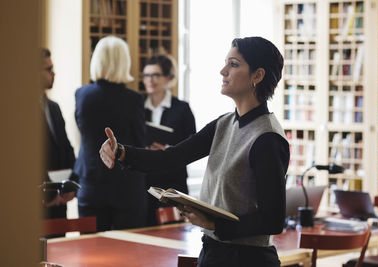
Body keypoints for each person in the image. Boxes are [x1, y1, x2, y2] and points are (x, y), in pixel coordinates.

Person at [100, 37, 289, 266]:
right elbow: (171, 158)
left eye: (234, 64)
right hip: (214, 253)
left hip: (248, 259)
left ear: (257, 76)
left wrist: (214, 224)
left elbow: (273, 220)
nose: (223, 71)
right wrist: (120, 151)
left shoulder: (267, 137)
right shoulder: (224, 124)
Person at [74, 36, 147, 231]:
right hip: (126, 186)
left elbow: (83, 133)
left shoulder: (81, 95)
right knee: (128, 253)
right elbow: (140, 142)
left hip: (91, 183)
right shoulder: (134, 99)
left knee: (91, 251)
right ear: (124, 63)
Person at [142, 54, 196, 225]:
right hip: (144, 186)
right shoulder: (137, 108)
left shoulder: (182, 109)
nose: (150, 80)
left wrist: (167, 150)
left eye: (155, 75)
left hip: (173, 185)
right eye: (146, 75)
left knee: (175, 235)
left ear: (168, 78)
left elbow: (193, 147)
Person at [41, 48, 77, 219]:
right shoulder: (20, 110)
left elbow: (66, 148)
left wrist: (71, 187)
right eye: (48, 69)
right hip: (37, 204)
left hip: (59, 201)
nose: (53, 73)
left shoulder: (54, 107)